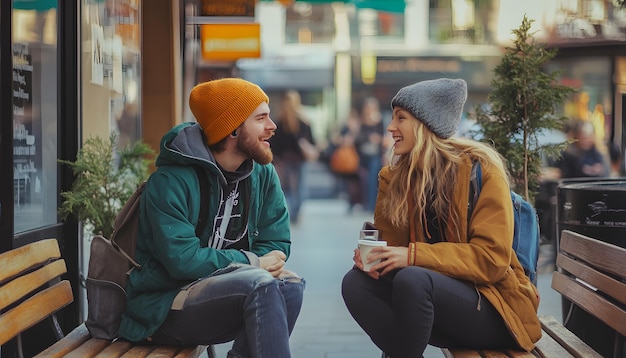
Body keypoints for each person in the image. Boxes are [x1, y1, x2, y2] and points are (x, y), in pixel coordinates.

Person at [341, 78, 541, 357]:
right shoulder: (396, 176)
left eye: (401, 118)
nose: (390, 127)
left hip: (495, 310)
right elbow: (392, 248)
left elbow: (492, 260)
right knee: (355, 283)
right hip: (434, 305)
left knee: (413, 278)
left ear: (426, 124)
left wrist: (412, 256)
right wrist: (371, 258)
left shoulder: (481, 172)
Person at [118, 78, 305, 358]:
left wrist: (256, 266)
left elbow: (276, 242)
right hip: (165, 305)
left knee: (290, 287)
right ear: (232, 129)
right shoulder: (170, 182)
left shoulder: (262, 175)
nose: (272, 126)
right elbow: (182, 260)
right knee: (262, 285)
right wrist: (253, 264)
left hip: (228, 294)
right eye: (261, 118)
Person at [270, 90, 318, 224]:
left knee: (288, 188)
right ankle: (294, 213)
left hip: (286, 161)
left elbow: (273, 145)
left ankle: (289, 213)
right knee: (297, 188)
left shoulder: (279, 123)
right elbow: (312, 142)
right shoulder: (300, 122)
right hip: (294, 160)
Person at [354, 96, 385, 213]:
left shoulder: (379, 121)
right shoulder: (360, 121)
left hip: (374, 154)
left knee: (373, 180)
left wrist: (378, 138)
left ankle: (371, 204)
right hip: (361, 154)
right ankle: (360, 203)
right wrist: (368, 137)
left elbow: (383, 137)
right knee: (361, 180)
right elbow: (357, 139)